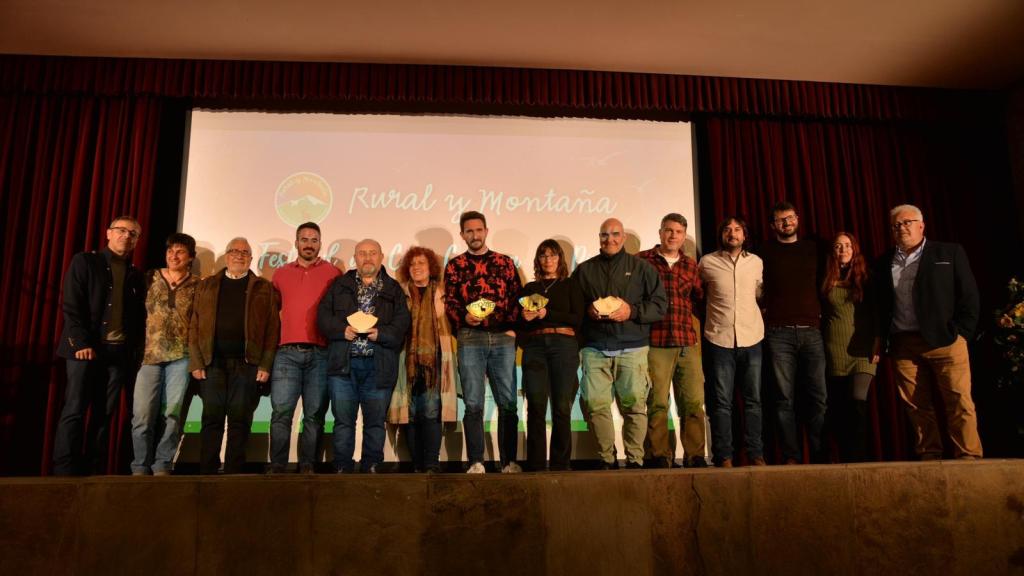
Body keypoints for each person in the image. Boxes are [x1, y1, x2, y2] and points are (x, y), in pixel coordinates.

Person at [875, 204, 982, 460]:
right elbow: (880, 304)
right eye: (896, 225)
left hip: (946, 341)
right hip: (904, 344)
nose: (902, 228)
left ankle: (969, 456)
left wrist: (961, 333)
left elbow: (969, 296)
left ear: (921, 225)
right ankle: (929, 454)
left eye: (907, 222)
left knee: (959, 402)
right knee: (916, 406)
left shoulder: (949, 252)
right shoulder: (883, 262)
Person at [54, 215, 146, 475]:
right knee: (75, 409)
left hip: (117, 353)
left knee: (104, 415)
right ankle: (64, 472)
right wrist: (81, 342)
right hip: (84, 350)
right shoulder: (85, 261)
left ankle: (93, 471)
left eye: (133, 233)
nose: (126, 236)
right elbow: (72, 305)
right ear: (108, 233)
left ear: (137, 241)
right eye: (121, 230)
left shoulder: (135, 275)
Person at [574, 218, 666, 469]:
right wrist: (587, 311)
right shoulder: (584, 270)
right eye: (604, 235)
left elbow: (660, 306)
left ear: (623, 237)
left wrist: (632, 311)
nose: (609, 239)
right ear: (599, 237)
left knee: (635, 407)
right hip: (595, 349)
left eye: (615, 234)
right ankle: (606, 458)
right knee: (595, 406)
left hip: (633, 347)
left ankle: (635, 459)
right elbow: (572, 308)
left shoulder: (642, 268)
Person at [318, 239, 410, 473]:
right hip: (343, 366)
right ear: (355, 258)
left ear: (381, 257)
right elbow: (322, 318)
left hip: (378, 367)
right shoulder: (339, 285)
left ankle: (372, 467)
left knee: (375, 423)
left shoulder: (393, 289)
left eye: (372, 253)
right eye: (362, 253)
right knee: (343, 423)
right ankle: (342, 467)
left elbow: (402, 325)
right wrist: (341, 331)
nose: (367, 258)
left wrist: (382, 334)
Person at [189, 237, 280, 474]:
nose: (239, 255)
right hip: (212, 363)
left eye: (245, 252)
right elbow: (194, 325)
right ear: (226, 256)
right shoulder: (206, 286)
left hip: (247, 364)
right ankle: (206, 474)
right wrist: (196, 361)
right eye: (234, 251)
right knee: (211, 420)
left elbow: (272, 328)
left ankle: (233, 474)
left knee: (240, 422)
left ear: (250, 258)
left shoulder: (264, 287)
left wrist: (266, 364)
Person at [444, 211, 523, 474]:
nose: (474, 235)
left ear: (486, 231)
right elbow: (451, 303)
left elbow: (516, 298)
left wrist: (512, 329)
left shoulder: (505, 262)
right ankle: (476, 461)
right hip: (470, 337)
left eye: (478, 230)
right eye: (469, 231)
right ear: (462, 234)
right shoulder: (454, 266)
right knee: (474, 402)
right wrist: (464, 317)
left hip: (502, 338)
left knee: (508, 402)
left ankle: (508, 461)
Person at [268, 222, 341, 474]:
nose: (309, 244)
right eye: (304, 239)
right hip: (286, 353)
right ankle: (277, 465)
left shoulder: (334, 273)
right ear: (296, 242)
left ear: (320, 243)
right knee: (281, 413)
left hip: (320, 353)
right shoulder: (280, 274)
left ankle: (307, 464)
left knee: (314, 415)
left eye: (314, 239)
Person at [758, 201, 828, 464]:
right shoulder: (763, 251)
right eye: (780, 220)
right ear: (772, 225)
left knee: (818, 398)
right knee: (783, 399)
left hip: (812, 331)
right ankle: (791, 456)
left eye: (790, 218)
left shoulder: (815, 248)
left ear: (798, 218)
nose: (786, 223)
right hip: (778, 334)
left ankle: (819, 455)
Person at [638, 213, 708, 469]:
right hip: (655, 341)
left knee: (692, 401)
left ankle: (695, 455)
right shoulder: (642, 260)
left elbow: (699, 299)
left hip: (686, 342)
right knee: (657, 402)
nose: (672, 236)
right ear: (660, 232)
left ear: (683, 236)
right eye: (668, 230)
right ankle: (659, 454)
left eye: (678, 232)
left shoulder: (690, 265)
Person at [130, 232, 201, 476]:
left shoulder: (197, 284)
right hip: (148, 356)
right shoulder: (150, 277)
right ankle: (140, 464)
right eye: (170, 251)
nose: (174, 255)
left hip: (181, 357)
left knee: (172, 413)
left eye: (180, 252)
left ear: (190, 257)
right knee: (142, 415)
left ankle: (162, 463)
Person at [699, 217, 765, 468]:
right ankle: (724, 456)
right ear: (721, 235)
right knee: (721, 402)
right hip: (719, 338)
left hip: (752, 337)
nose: (732, 233)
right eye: (727, 229)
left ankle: (755, 454)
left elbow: (760, 294)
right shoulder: (707, 262)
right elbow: (699, 294)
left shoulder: (756, 262)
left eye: (737, 229)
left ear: (745, 235)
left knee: (753, 401)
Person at [387, 246, 458, 473]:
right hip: (404, 360)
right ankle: (417, 465)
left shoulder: (442, 293)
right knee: (411, 413)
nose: (417, 268)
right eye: (413, 264)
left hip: (434, 362)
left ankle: (431, 463)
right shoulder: (399, 293)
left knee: (429, 411)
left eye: (422, 263)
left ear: (431, 268)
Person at [517, 239, 584, 471]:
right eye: (543, 256)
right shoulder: (530, 289)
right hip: (535, 346)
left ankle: (560, 464)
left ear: (560, 259)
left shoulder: (571, 286)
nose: (548, 260)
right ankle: (535, 464)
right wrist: (524, 319)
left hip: (563, 345)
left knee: (561, 406)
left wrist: (547, 312)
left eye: (553, 255)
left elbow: (578, 318)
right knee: (535, 405)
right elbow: (519, 325)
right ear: (538, 260)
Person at [821, 232, 878, 462]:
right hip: (835, 348)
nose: (843, 250)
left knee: (858, 402)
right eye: (837, 246)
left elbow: (877, 312)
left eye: (847, 245)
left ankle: (859, 458)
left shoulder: (867, 277)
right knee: (840, 406)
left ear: (854, 248)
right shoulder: (826, 277)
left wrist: (877, 341)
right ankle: (843, 456)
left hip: (862, 349)